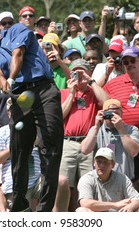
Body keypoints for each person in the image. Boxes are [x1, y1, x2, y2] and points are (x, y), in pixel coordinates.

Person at [0, 22, 64, 212]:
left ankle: (44, 209)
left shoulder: (17, 30)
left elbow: (18, 54)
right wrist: (2, 80)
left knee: (50, 148)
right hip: (20, 98)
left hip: (44, 90)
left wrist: (10, 77)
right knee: (19, 152)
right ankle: (19, 207)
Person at [102, 47, 139, 204]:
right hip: (124, 135)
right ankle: (132, 209)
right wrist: (96, 79)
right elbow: (101, 98)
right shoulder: (114, 83)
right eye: (125, 61)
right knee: (129, 177)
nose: (129, 64)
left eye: (133, 60)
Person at [54, 58, 108, 211]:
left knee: (87, 184)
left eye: (81, 72)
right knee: (64, 183)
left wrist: (91, 82)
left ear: (89, 73)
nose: (78, 75)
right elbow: (60, 117)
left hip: (89, 142)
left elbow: (107, 103)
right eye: (75, 72)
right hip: (67, 142)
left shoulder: (93, 91)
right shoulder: (64, 92)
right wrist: (71, 93)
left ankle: (84, 214)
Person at [0, 98, 42, 212]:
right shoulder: (3, 132)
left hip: (38, 178)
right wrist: (15, 146)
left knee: (61, 182)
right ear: (9, 113)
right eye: (16, 110)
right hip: (15, 181)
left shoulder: (38, 129)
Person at [82, 99, 139, 180]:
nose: (113, 116)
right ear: (103, 113)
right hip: (101, 179)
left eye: (116, 113)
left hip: (124, 180)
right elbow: (85, 150)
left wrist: (121, 129)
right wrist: (96, 127)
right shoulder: (96, 129)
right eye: (109, 113)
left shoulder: (131, 129)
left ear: (122, 114)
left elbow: (133, 152)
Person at [76, 147, 139, 212]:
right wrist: (114, 205)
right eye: (99, 161)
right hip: (97, 219)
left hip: (119, 216)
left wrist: (131, 206)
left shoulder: (122, 179)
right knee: (81, 210)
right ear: (94, 162)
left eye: (106, 162)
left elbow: (136, 199)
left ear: (113, 164)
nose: (102, 165)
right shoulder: (86, 179)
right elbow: (85, 203)